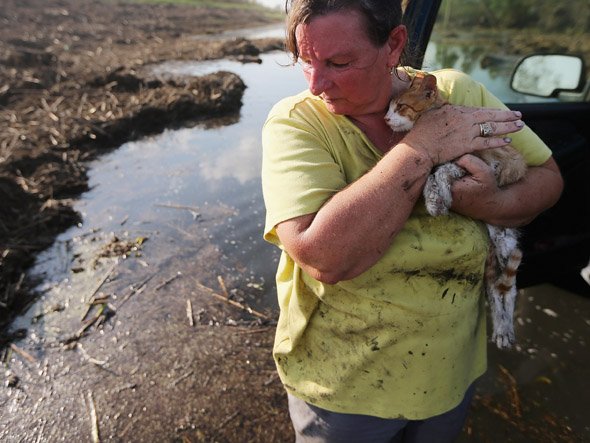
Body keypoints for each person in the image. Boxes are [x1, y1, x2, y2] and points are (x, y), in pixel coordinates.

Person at [261, 1, 563, 441]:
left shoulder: (459, 93)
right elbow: (324, 258)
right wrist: (421, 148)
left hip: (449, 371)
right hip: (344, 384)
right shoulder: (299, 123)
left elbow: (548, 178)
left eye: (339, 62)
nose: (316, 84)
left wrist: (490, 203)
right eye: (305, 61)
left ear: (394, 44)